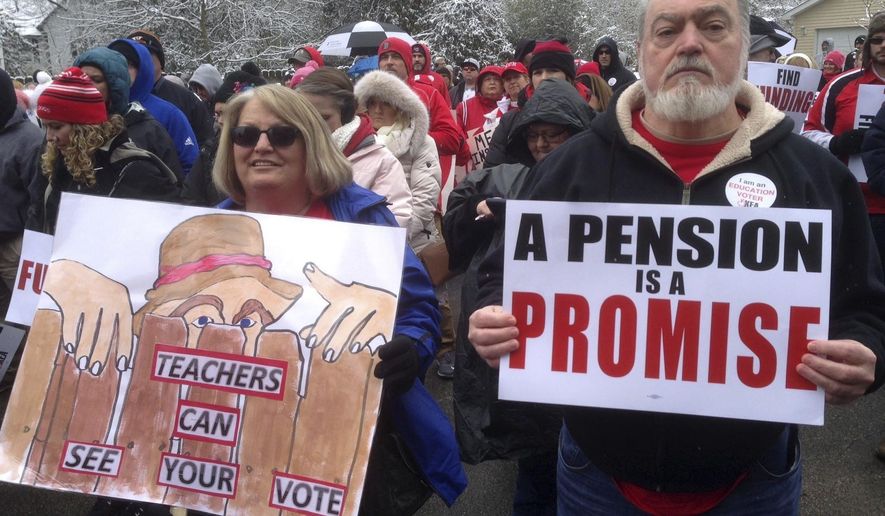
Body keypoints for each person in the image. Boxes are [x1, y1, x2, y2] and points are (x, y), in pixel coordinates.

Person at [468, 1, 885, 514]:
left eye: (713, 26)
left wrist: (866, 353)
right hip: (595, 476)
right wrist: (489, 314)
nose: (689, 43)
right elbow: (501, 271)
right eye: (667, 31)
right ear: (643, 52)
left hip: (752, 480)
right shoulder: (569, 167)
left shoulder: (814, 175)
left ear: (744, 44)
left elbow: (866, 306)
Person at [212, 83, 466, 513]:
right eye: (245, 134)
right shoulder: (208, 230)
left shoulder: (361, 216)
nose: (261, 146)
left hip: (343, 443)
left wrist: (411, 348)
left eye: (281, 134)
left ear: (310, 142)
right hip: (234, 442)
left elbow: (417, 308)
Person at [443, 78, 593, 516]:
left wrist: (519, 211)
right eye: (534, 135)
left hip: (585, 336)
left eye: (554, 134)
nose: (543, 144)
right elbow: (460, 239)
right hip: (531, 331)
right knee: (537, 454)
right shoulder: (505, 178)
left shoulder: (604, 177)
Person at [28, 67, 181, 233]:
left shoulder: (133, 169)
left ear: (84, 128)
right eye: (45, 126)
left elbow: (168, 232)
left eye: (56, 127)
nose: (49, 137)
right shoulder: (59, 167)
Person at [804, 13, 885, 267]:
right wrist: (837, 144)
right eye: (878, 40)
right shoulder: (842, 85)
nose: (884, 46)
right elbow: (807, 134)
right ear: (869, 45)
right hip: (854, 206)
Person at [296, 68, 412, 227]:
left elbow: (396, 223)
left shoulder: (382, 162)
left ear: (345, 114)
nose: (313, 126)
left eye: (323, 118)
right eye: (304, 118)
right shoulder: (287, 154)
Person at [355, 70, 441, 254]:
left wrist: (396, 238)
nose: (377, 110)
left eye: (386, 103)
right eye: (372, 104)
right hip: (365, 242)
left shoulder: (423, 142)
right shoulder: (358, 143)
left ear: (400, 107)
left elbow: (425, 199)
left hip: (412, 244)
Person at [73, 46, 185, 180]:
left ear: (114, 86)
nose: (87, 86)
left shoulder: (150, 130)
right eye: (82, 79)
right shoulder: (64, 130)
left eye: (96, 80)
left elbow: (175, 184)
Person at [483, 40, 591, 168]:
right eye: (537, 73)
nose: (544, 77)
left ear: (568, 77)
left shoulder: (589, 115)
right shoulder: (511, 121)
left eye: (552, 70)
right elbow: (491, 173)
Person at [107, 38, 199, 176]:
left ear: (142, 69)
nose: (121, 71)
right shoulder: (94, 111)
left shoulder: (169, 114)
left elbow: (191, 168)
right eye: (115, 65)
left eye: (129, 65)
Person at [184, 67, 267, 206]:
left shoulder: (267, 149)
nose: (220, 120)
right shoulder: (210, 151)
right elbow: (191, 195)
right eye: (217, 114)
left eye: (226, 113)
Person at [0, 68, 43, 315]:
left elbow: (39, 197)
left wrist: (30, 246)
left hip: (15, 245)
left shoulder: (29, 138)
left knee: (25, 316)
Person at [127, 29, 214, 147]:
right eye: (133, 60)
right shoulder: (119, 99)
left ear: (160, 63)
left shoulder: (185, 98)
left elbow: (206, 140)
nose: (141, 62)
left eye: (147, 56)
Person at [413, 43, 452, 107]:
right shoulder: (404, 77)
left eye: (420, 56)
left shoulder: (438, 79)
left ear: (426, 58)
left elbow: (446, 106)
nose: (417, 59)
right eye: (414, 56)